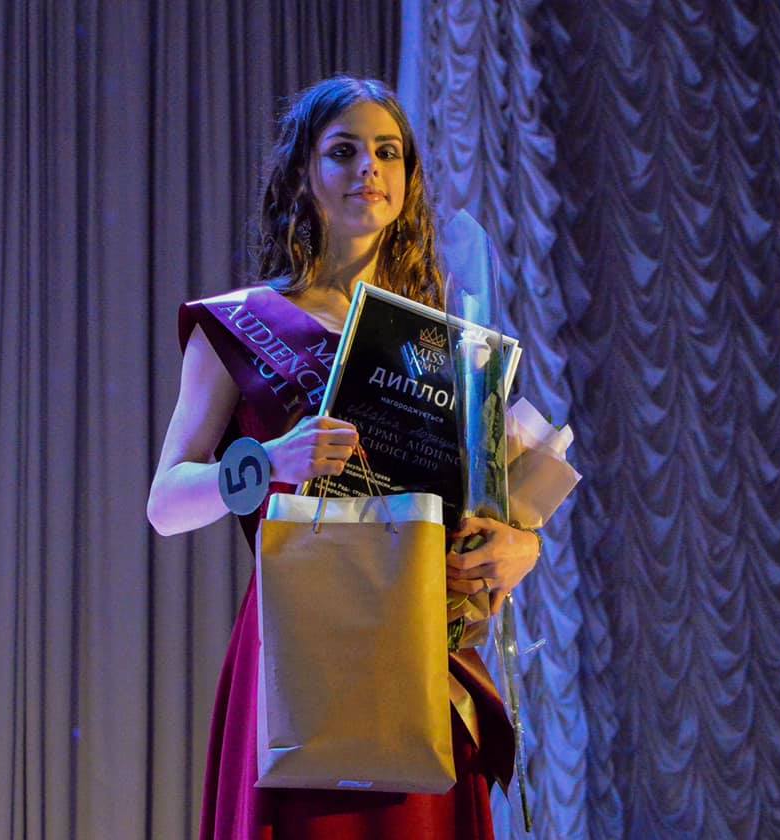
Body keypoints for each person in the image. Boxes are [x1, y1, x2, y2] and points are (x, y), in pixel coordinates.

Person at [147, 76, 540, 840]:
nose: (370, 168)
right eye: (344, 151)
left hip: (419, 647)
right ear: (302, 172)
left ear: (408, 180)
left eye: (387, 153)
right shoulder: (239, 325)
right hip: (300, 647)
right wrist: (270, 460)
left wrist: (517, 545)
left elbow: (487, 503)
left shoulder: (446, 344)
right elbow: (165, 505)